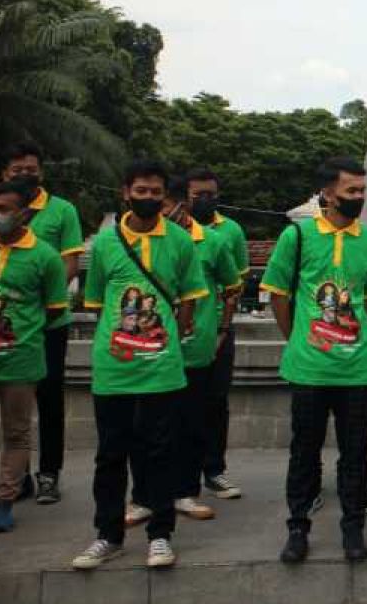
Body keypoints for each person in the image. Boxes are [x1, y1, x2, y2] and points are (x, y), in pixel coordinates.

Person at [72, 160, 207, 570]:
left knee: (161, 453)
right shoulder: (106, 244)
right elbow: (95, 304)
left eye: (155, 192)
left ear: (165, 197)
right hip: (114, 370)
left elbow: (190, 298)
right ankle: (108, 535)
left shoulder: (181, 242)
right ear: (125, 192)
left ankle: (161, 535)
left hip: (162, 369)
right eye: (141, 190)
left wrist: (167, 337)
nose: (148, 198)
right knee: (110, 455)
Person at [262, 157, 367, 564]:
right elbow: (278, 295)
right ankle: (298, 527)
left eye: (363, 191)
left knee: (355, 453)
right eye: (352, 191)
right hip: (309, 368)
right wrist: (299, 336)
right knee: (304, 450)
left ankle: (353, 529)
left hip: (355, 368)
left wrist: (345, 331)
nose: (360, 198)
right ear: (328, 193)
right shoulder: (296, 237)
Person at [144, 178, 241, 524]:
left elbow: (233, 287)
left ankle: (189, 489)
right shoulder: (152, 242)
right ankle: (148, 495)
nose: (161, 213)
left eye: (165, 206)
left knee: (196, 419)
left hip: (200, 345)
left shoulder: (216, 240)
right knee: (156, 424)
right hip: (155, 346)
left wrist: (222, 331)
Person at [0, 142, 83, 505]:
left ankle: (49, 473)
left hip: (49, 322)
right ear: (5, 174)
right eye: (17, 170)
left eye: (31, 169)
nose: (24, 175)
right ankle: (16, 479)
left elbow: (69, 263)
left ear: (41, 172)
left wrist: (42, 303)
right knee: (12, 409)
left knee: (49, 398)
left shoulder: (62, 211)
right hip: (2, 327)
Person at [0, 180, 69, 532]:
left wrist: (21, 330)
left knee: (17, 433)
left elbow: (53, 310)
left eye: (4, 209)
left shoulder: (45, 257)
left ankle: (4, 501)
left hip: (21, 359)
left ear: (24, 213)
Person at [182, 167, 249, 501]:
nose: (206, 200)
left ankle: (214, 469)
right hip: (180, 333)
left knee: (216, 401)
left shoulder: (231, 231)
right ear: (186, 196)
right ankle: (182, 476)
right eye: (199, 194)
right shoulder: (172, 231)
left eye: (211, 193)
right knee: (181, 407)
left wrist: (224, 327)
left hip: (219, 329)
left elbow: (234, 286)